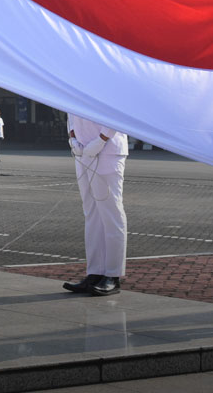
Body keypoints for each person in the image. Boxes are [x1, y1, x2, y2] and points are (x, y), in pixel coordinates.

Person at [63, 113, 128, 296]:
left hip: (108, 150)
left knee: (111, 214)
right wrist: (72, 136)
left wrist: (101, 139)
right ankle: (95, 272)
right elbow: (70, 111)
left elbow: (117, 112)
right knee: (92, 214)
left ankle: (113, 275)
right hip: (83, 150)